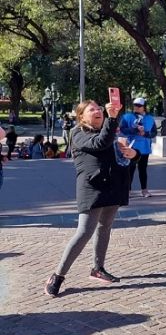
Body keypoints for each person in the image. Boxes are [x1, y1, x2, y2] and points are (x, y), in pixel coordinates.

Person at [45, 99, 138, 297]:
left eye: (99, 108)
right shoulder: (78, 133)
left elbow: (119, 153)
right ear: (81, 116)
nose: (98, 111)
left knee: (105, 228)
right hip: (93, 188)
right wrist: (112, 119)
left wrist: (133, 154)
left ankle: (98, 269)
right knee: (84, 232)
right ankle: (58, 275)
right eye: (92, 109)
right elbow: (100, 143)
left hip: (113, 187)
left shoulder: (109, 130)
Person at [120, 98, 158, 197]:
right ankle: (127, 191)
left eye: (139, 106)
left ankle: (144, 190)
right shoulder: (127, 117)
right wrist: (134, 129)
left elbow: (154, 133)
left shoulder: (150, 118)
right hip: (131, 147)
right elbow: (122, 129)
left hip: (144, 148)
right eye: (135, 105)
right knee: (130, 170)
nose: (136, 107)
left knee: (143, 169)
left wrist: (145, 133)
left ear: (144, 107)